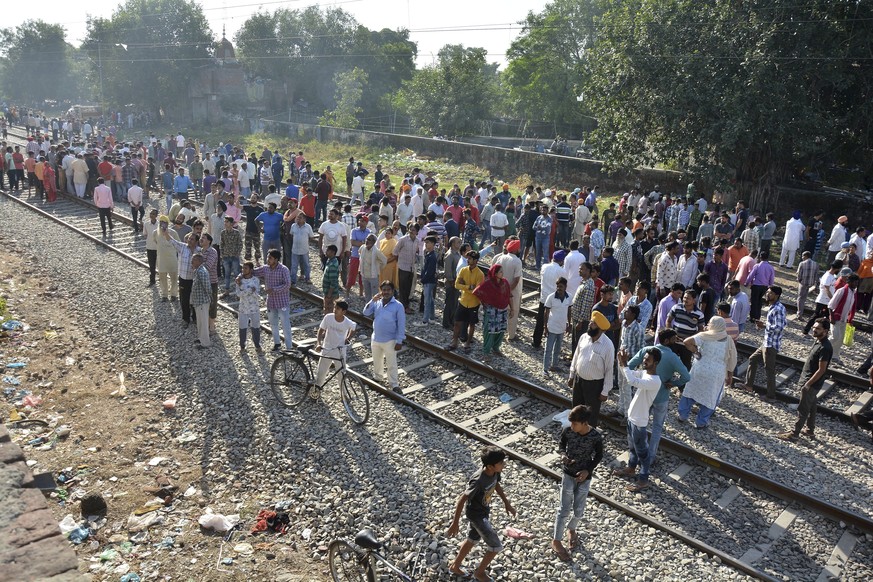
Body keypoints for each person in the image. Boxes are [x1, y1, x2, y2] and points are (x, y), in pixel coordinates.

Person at [446, 446, 516, 582]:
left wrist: (507, 504)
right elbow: (462, 500)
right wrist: (455, 523)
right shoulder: (478, 481)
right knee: (495, 546)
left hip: (483, 511)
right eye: (501, 463)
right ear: (490, 466)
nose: (504, 464)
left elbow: (496, 485)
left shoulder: (494, 472)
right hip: (476, 516)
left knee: (472, 539)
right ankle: (479, 573)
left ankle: (455, 566)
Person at [550, 405, 603, 563]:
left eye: (575, 424)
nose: (572, 426)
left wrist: (588, 470)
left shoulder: (595, 436)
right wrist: (563, 455)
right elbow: (561, 445)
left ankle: (571, 528)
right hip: (568, 475)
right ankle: (556, 540)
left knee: (579, 511)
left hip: (584, 478)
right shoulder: (568, 431)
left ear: (584, 423)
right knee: (563, 510)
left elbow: (599, 455)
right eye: (571, 423)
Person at [612, 347, 663, 491]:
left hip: (639, 422)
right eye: (644, 358)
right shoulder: (645, 373)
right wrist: (621, 363)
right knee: (632, 448)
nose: (644, 361)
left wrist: (624, 364)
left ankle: (643, 479)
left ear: (656, 363)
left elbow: (632, 381)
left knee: (643, 454)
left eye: (648, 360)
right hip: (632, 418)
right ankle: (631, 468)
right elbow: (629, 374)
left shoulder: (655, 381)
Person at [677, 316, 737, 428]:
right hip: (717, 374)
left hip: (700, 369)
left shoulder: (704, 336)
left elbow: (686, 342)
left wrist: (696, 352)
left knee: (691, 391)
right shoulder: (728, 340)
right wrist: (730, 376)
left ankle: (682, 416)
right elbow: (732, 360)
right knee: (711, 396)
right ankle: (701, 422)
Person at [778, 318, 832, 441]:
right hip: (810, 381)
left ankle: (794, 434)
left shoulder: (825, 347)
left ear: (825, 331)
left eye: (818, 328)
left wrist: (808, 384)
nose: (814, 330)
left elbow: (821, 370)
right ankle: (810, 431)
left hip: (811, 383)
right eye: (814, 327)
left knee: (803, 409)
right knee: (812, 406)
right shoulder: (818, 341)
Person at [567, 311, 614, 427]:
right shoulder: (584, 337)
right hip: (579, 380)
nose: (589, 324)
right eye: (591, 322)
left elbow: (609, 370)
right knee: (576, 410)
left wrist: (605, 391)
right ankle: (575, 431)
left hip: (594, 386)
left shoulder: (608, 345)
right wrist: (572, 375)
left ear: (601, 329)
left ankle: (588, 434)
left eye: (593, 324)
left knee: (590, 415)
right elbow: (576, 356)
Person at [741, 286, 786, 402]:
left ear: (777, 295)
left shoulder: (778, 309)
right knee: (753, 359)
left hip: (771, 345)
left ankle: (771, 396)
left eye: (770, 293)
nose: (767, 294)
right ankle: (748, 385)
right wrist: (764, 325)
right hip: (767, 343)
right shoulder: (774, 306)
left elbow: (779, 327)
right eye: (767, 292)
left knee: (769, 370)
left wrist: (764, 326)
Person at [363, 280, 406, 393]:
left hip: (390, 340)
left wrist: (399, 341)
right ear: (380, 291)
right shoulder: (377, 302)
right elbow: (365, 312)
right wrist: (372, 300)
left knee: (391, 363)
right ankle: (378, 377)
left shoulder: (398, 306)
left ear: (392, 291)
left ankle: (394, 384)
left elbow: (401, 324)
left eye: (388, 290)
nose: (386, 292)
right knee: (377, 360)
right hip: (376, 338)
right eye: (384, 290)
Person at [252, 250, 293, 351]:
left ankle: (289, 347)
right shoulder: (265, 268)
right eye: (268, 257)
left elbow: (287, 285)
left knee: (285, 325)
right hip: (271, 302)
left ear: (276, 259)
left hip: (282, 302)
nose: (267, 259)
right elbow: (253, 272)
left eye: (270, 258)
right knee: (273, 324)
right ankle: (277, 343)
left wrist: (273, 289)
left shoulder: (284, 270)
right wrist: (241, 276)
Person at [315, 300, 356, 388]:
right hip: (327, 349)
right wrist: (318, 343)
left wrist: (348, 338)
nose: (335, 310)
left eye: (338, 308)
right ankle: (316, 390)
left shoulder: (347, 322)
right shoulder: (328, 317)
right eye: (335, 307)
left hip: (340, 351)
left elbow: (353, 328)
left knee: (341, 374)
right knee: (320, 373)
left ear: (343, 312)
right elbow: (321, 330)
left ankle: (343, 393)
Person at [448, 251, 484, 353]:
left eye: (470, 259)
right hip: (463, 301)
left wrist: (464, 286)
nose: (468, 260)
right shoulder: (463, 270)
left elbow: (476, 291)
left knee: (472, 324)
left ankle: (467, 343)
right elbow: (456, 285)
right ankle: (454, 341)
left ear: (476, 260)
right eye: (468, 258)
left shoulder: (480, 274)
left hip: (474, 303)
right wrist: (469, 287)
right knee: (457, 322)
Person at [473, 264, 511, 357]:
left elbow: (509, 295)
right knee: (489, 331)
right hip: (491, 311)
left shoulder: (505, 282)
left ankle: (496, 348)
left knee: (501, 330)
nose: (502, 273)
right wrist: (484, 303)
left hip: (502, 310)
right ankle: (486, 351)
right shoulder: (488, 283)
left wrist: (512, 309)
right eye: (500, 272)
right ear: (495, 273)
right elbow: (477, 292)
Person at [493, 239, 524, 341]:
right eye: (519, 248)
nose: (520, 250)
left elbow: (495, 274)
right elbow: (516, 280)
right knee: (512, 313)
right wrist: (508, 291)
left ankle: (497, 333)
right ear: (515, 250)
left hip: (500, 290)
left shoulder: (500, 258)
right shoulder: (517, 261)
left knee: (499, 311)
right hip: (512, 292)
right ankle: (511, 335)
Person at [543, 277, 572, 374]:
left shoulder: (569, 297)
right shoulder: (551, 297)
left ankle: (554, 366)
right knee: (548, 349)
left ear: (565, 287)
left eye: (561, 286)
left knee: (557, 349)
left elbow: (569, 311)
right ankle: (545, 369)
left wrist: (569, 324)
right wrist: (545, 327)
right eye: (558, 286)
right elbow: (546, 313)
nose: (559, 288)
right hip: (552, 327)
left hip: (561, 328)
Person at [828, 273, 859, 363]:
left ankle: (835, 356)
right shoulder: (841, 291)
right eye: (855, 282)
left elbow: (852, 307)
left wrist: (850, 319)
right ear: (849, 281)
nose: (856, 284)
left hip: (844, 319)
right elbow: (830, 305)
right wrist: (832, 317)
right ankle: (820, 348)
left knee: (840, 339)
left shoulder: (853, 292)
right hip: (836, 317)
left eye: (857, 282)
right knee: (835, 337)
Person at [235, 261, 263, 354]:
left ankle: (257, 346)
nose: (243, 270)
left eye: (245, 268)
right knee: (242, 328)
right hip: (243, 308)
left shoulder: (256, 280)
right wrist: (250, 290)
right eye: (243, 268)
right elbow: (238, 294)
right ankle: (242, 347)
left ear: (251, 270)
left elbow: (257, 294)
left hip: (254, 308)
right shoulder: (239, 280)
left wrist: (245, 290)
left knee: (256, 327)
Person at [153, 215, 180, 301]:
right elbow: (155, 241)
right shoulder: (155, 233)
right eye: (161, 222)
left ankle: (173, 294)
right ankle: (164, 295)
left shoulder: (173, 233)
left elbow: (178, 243)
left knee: (174, 278)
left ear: (167, 224)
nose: (162, 224)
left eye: (164, 222)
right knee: (162, 278)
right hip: (161, 259)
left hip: (172, 258)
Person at [745, 251, 775, 321]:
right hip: (765, 287)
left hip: (756, 286)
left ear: (760, 257)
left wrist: (747, 282)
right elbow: (772, 278)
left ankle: (752, 317)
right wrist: (770, 285)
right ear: (767, 258)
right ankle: (758, 316)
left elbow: (751, 275)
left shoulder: (757, 266)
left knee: (754, 301)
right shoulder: (771, 267)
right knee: (759, 301)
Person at [190, 253, 212, 348]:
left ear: (199, 261)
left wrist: (209, 298)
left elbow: (207, 287)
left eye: (194, 260)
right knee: (199, 321)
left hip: (202, 301)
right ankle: (201, 338)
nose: (191, 261)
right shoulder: (197, 270)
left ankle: (205, 343)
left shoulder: (201, 272)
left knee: (203, 322)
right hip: (198, 301)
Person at [416, 237, 438, 325]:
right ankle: (431, 318)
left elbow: (429, 271)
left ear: (433, 243)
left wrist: (423, 279)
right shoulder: (429, 254)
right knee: (431, 299)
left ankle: (425, 320)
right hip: (430, 280)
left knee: (427, 301)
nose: (426, 244)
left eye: (428, 242)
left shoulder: (432, 256)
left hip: (429, 281)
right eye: (425, 242)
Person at [288, 212, 315, 285]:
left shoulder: (308, 227)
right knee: (294, 266)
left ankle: (307, 278)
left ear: (304, 219)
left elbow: (311, 237)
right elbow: (291, 235)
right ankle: (293, 280)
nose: (298, 219)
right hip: (295, 250)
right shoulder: (293, 226)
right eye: (297, 217)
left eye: (300, 218)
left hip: (304, 250)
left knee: (306, 265)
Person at [359, 234, 387, 299]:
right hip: (364, 275)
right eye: (366, 239)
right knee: (367, 294)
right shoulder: (362, 248)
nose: (367, 241)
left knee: (375, 294)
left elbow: (384, 260)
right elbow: (359, 253)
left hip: (373, 276)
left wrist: (378, 269)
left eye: (369, 240)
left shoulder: (377, 251)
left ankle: (376, 305)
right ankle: (368, 304)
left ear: (373, 242)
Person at [795, 251, 820, 319]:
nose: (802, 257)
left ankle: (799, 314)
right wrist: (816, 285)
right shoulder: (815, 264)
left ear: (805, 256)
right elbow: (817, 275)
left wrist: (799, 281)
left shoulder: (802, 263)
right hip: (810, 283)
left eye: (803, 256)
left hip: (803, 283)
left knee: (800, 298)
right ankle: (801, 309)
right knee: (804, 298)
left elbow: (799, 274)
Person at [322, 245, 340, 313]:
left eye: (327, 251)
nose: (326, 252)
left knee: (329, 309)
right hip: (327, 291)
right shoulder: (329, 260)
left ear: (333, 252)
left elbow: (333, 281)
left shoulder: (332, 265)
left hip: (330, 293)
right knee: (327, 308)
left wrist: (329, 295)